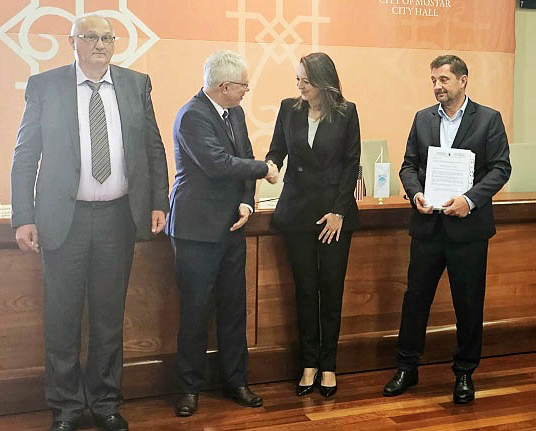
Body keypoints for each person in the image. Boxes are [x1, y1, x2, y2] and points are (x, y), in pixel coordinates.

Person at [10, 15, 169, 431]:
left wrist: (159, 202)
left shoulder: (136, 85)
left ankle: (105, 402)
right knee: (62, 318)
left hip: (118, 218)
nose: (100, 44)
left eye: (107, 37)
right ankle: (65, 407)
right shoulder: (46, 86)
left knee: (108, 317)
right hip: (64, 220)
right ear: (72, 42)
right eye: (91, 37)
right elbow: (25, 155)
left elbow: (153, 148)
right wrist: (23, 217)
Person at [383, 55, 511, 404]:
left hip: (468, 229)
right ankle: (407, 368)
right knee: (415, 299)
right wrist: (415, 194)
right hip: (427, 225)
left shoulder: (488, 119)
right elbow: (408, 166)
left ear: (463, 80)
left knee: (468, 304)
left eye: (444, 79)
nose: (437, 86)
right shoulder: (422, 118)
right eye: (433, 80)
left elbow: (501, 168)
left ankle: (465, 372)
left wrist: (469, 200)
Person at [168, 50, 278, 417]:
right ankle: (188, 389)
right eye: (244, 85)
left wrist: (247, 202)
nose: (247, 90)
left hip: (232, 226)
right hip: (196, 230)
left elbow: (243, 156)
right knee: (195, 311)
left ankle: (236, 381)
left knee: (234, 309)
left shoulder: (236, 113)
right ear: (225, 86)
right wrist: (265, 169)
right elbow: (218, 165)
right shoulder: (192, 115)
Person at [265, 52, 361, 398]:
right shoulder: (288, 109)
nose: (300, 86)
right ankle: (309, 363)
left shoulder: (347, 112)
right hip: (298, 212)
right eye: (298, 80)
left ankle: (329, 364)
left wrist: (339, 212)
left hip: (334, 215)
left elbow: (351, 164)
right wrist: (271, 166)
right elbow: (276, 150)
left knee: (331, 288)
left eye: (305, 80)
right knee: (305, 289)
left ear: (323, 81)